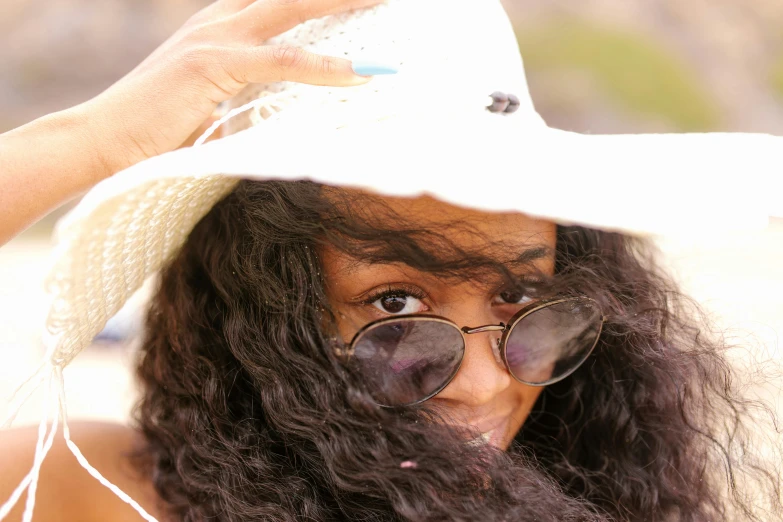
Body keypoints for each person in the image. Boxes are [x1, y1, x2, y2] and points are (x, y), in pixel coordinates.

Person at [0, 0, 780, 521]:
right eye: (395, 307)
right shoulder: (99, 493)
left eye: (519, 299)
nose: (484, 385)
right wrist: (93, 140)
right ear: (257, 318)